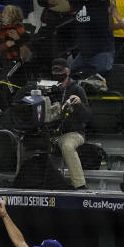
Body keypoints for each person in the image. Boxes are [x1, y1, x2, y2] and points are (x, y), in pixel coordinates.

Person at [36, 0, 114, 74]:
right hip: (84, 54)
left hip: (101, 53)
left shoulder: (101, 0)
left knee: (99, 82)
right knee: (70, 75)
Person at [46, 58, 91, 190]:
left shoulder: (77, 89)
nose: (57, 73)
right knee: (26, 142)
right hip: (51, 132)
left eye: (60, 70)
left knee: (67, 145)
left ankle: (80, 184)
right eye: (54, 70)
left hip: (73, 133)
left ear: (68, 71)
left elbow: (87, 117)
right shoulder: (49, 89)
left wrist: (79, 104)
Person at [0, 5, 30, 69]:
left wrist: (15, 42)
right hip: (5, 56)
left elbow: (26, 37)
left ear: (12, 16)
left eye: (5, 12)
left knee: (7, 72)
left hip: (15, 57)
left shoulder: (17, 26)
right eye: (3, 12)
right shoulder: (3, 27)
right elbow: (0, 38)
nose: (2, 15)